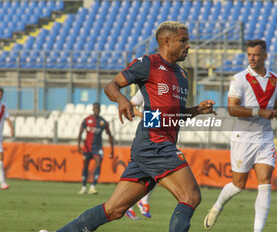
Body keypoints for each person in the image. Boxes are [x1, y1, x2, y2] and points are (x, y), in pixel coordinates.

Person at [40, 21, 216, 232]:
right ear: (166, 42)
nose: (188, 46)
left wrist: (196, 110)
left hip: (151, 146)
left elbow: (174, 116)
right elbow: (111, 86)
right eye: (183, 41)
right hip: (154, 143)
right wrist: (122, 101)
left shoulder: (182, 75)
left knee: (114, 209)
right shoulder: (148, 64)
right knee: (191, 196)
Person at [203, 39, 277, 232]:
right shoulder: (239, 79)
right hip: (243, 139)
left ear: (265, 56)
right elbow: (231, 109)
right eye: (249, 54)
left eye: (255, 54)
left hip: (264, 139)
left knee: (265, 181)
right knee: (238, 185)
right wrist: (258, 112)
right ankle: (217, 206)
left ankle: (258, 230)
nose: (252, 58)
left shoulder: (276, 80)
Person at [125, 89, 152, 219]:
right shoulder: (145, 89)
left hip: (162, 135)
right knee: (153, 172)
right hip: (147, 135)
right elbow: (131, 105)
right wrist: (144, 116)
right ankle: (138, 202)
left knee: (149, 174)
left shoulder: (168, 88)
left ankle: (130, 204)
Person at [77, 102, 114, 195]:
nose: (96, 110)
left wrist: (112, 150)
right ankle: (84, 187)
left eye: (98, 108)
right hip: (87, 147)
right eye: (95, 108)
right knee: (85, 165)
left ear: (100, 110)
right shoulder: (86, 120)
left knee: (98, 163)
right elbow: (80, 133)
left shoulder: (103, 122)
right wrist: (78, 145)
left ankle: (93, 187)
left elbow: (110, 135)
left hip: (97, 147)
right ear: (93, 109)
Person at [0, 87, 14, 190]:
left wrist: (11, 128)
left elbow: (7, 118)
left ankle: (2, 182)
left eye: (1, 94)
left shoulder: (4, 106)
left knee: (1, 159)